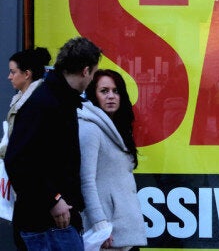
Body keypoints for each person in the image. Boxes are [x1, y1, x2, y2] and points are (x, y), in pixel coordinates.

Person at [5, 36, 102, 250]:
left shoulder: (58, 98)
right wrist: (54, 199)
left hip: (53, 224)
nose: (92, 79)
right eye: (94, 73)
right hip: (47, 226)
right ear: (85, 71)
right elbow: (17, 160)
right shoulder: (47, 102)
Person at [79, 69, 147, 250]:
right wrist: (100, 225)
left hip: (126, 229)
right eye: (104, 91)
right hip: (108, 231)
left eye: (115, 91)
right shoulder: (90, 128)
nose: (111, 96)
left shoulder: (120, 129)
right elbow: (86, 181)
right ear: (93, 94)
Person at [1, 48, 51, 159]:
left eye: (13, 72)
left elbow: (22, 146)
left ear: (27, 74)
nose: (9, 77)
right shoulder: (25, 100)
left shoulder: (35, 104)